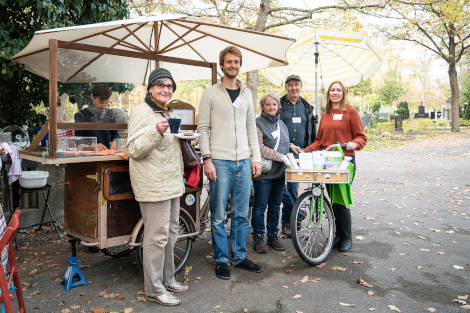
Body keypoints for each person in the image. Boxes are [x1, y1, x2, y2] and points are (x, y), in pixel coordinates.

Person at [197, 46, 262, 280]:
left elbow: (251, 130)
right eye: (229, 62)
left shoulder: (246, 94)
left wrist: (255, 158)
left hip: (244, 161)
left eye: (236, 62)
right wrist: (207, 159)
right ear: (221, 65)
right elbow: (202, 129)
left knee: (242, 214)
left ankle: (239, 257)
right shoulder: (210, 94)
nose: (233, 65)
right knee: (217, 215)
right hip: (220, 162)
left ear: (239, 65)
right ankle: (221, 259)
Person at [126, 68, 188, 306]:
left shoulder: (168, 110)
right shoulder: (142, 112)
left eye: (170, 86)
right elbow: (133, 149)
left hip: (172, 183)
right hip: (153, 183)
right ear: (150, 88)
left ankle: (168, 279)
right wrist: (155, 131)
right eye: (160, 85)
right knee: (156, 237)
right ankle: (154, 289)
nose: (166, 89)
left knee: (171, 234)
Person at [304, 81, 367, 252]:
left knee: (341, 200)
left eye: (339, 90)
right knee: (333, 201)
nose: (335, 93)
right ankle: (337, 235)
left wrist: (354, 144)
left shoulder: (350, 112)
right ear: (328, 94)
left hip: (344, 162)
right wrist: (305, 151)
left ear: (343, 93)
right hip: (327, 162)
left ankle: (347, 237)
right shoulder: (325, 115)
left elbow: (361, 138)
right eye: (332, 90)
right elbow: (319, 142)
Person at [251, 93, 300, 253]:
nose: (272, 107)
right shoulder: (257, 123)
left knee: (275, 206)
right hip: (264, 174)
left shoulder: (281, 124)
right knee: (260, 207)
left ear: (278, 106)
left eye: (274, 104)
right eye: (268, 104)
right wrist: (281, 157)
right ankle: (258, 237)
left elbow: (282, 140)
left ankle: (273, 235)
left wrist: (291, 146)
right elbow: (259, 148)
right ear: (262, 106)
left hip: (280, 173)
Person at [278, 75, 316, 237]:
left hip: (299, 153)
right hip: (280, 152)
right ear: (286, 87)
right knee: (278, 187)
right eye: (290, 85)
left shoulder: (307, 107)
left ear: (301, 86)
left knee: (293, 188)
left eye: (296, 85)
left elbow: (311, 130)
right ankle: (297, 211)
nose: (294, 88)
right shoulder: (278, 105)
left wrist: (309, 149)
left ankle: (289, 223)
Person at [74, 84, 120, 150]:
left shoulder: (110, 113)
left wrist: (115, 142)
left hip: (106, 153)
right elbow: (77, 139)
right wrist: (92, 144)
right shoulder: (81, 115)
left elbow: (115, 134)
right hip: (88, 154)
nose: (104, 106)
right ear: (92, 97)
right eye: (101, 102)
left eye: (106, 102)